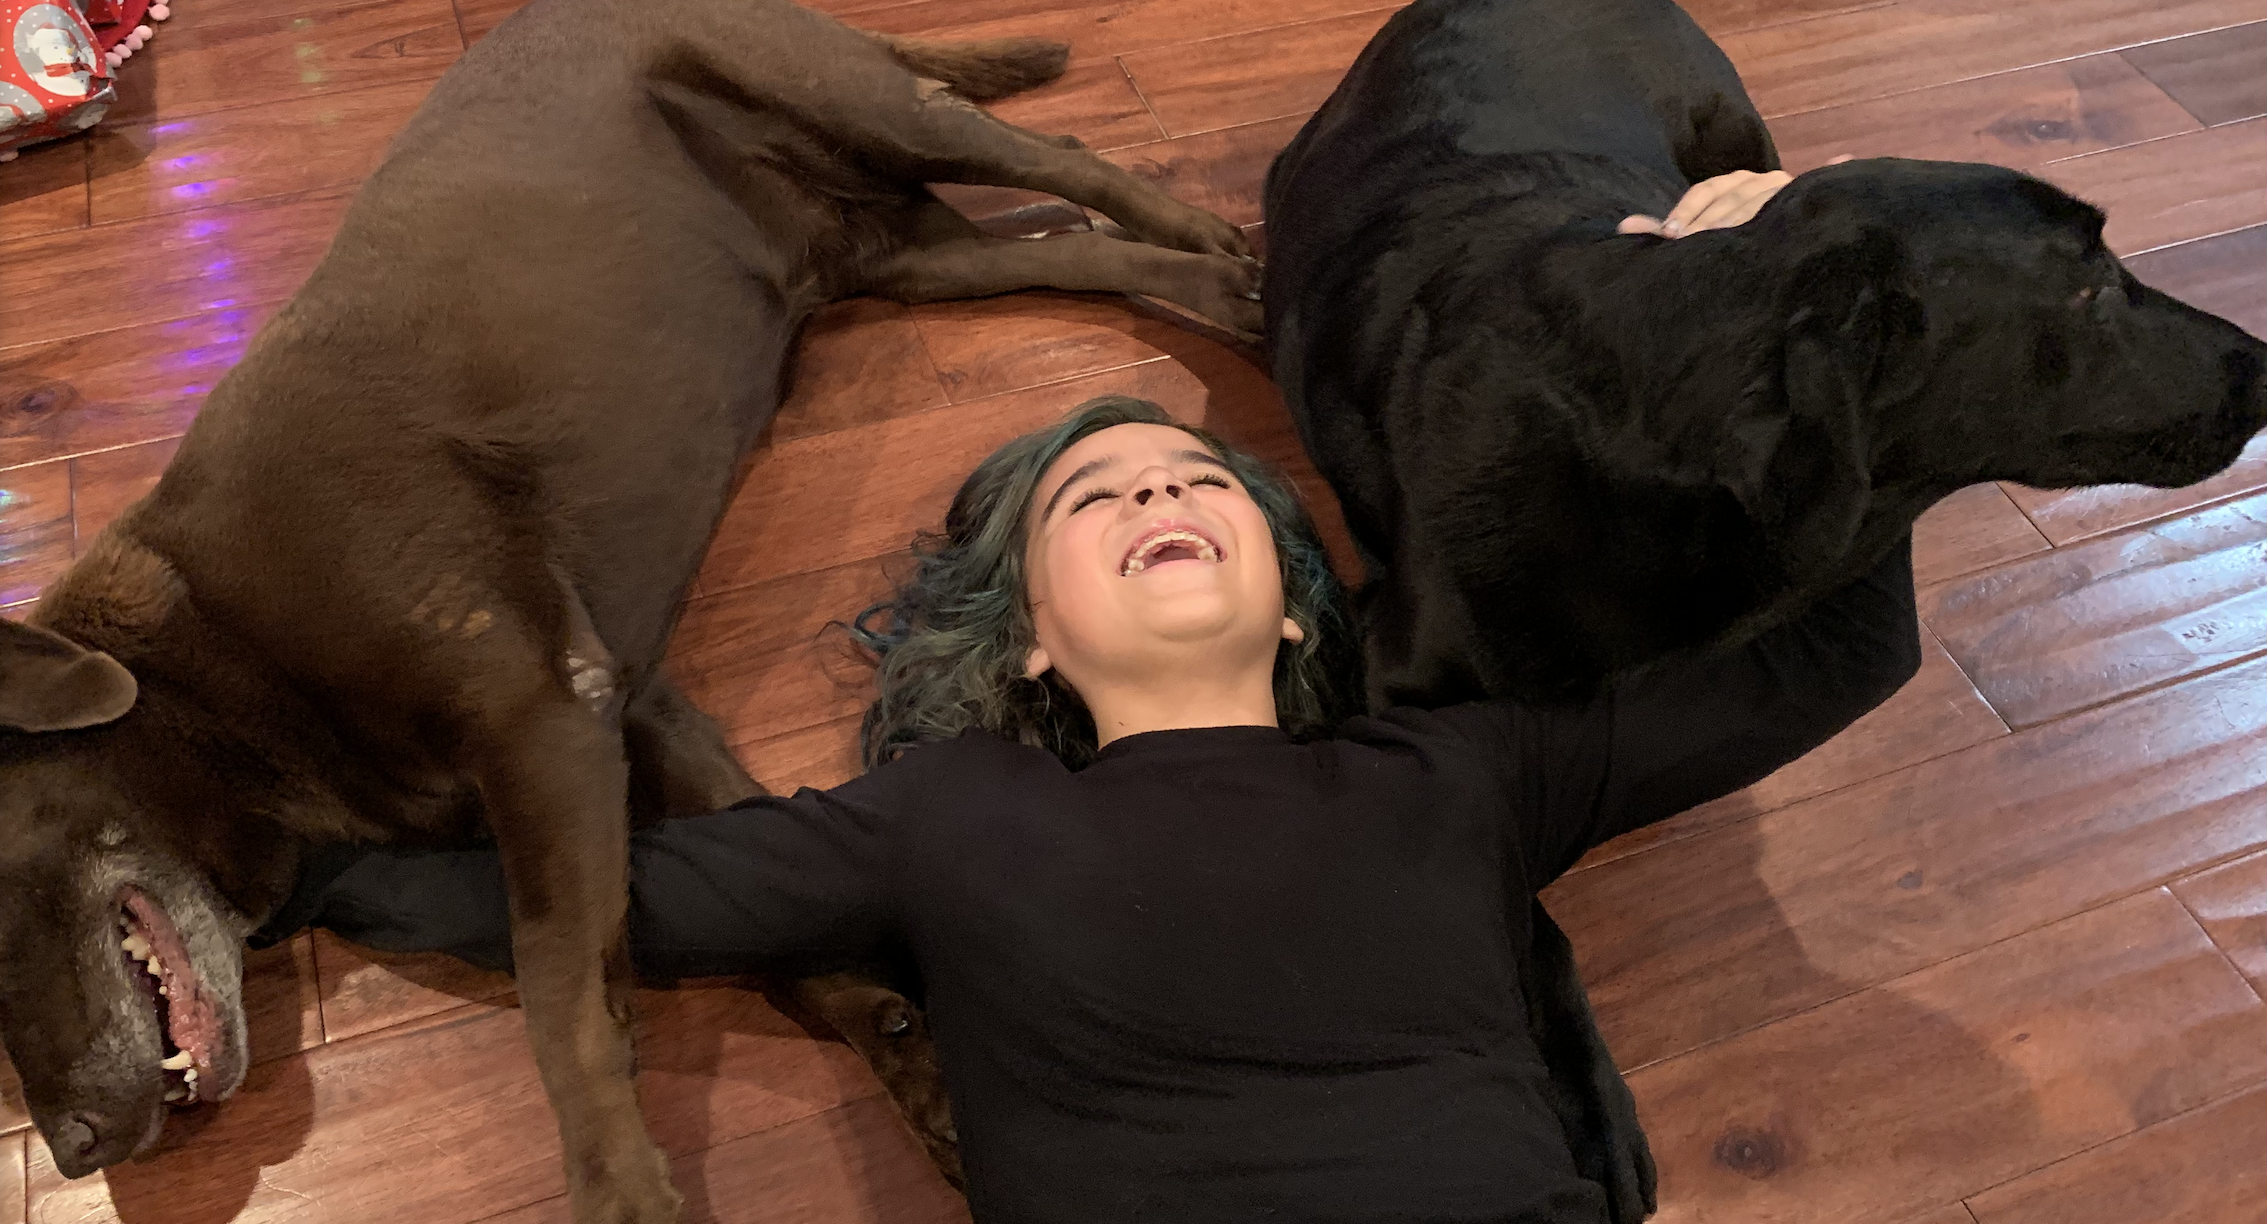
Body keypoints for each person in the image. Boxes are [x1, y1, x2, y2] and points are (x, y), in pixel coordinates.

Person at [253, 174, 1913, 1223]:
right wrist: (295, 873)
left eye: (1196, 480)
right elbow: (606, 899)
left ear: (1291, 598)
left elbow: (1839, 653)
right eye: (1093, 498)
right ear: (1032, 637)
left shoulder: (1462, 770)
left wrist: (1795, 294)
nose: (1153, 492)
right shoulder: (957, 814)